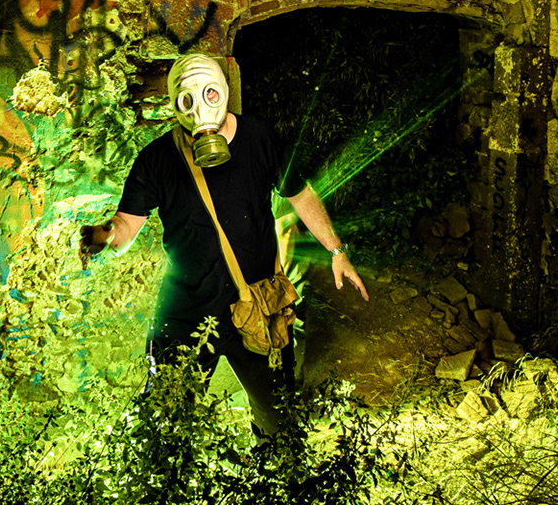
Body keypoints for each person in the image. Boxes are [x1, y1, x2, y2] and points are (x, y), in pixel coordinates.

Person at [79, 54, 367, 435]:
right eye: (187, 100)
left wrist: (337, 252)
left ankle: (278, 463)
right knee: (165, 419)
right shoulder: (156, 161)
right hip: (186, 311)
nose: (201, 109)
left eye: (210, 94)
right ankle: (168, 469)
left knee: (279, 420)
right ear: (174, 104)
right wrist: (102, 236)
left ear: (225, 92)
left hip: (257, 305)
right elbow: (126, 226)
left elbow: (300, 195)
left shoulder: (260, 140)